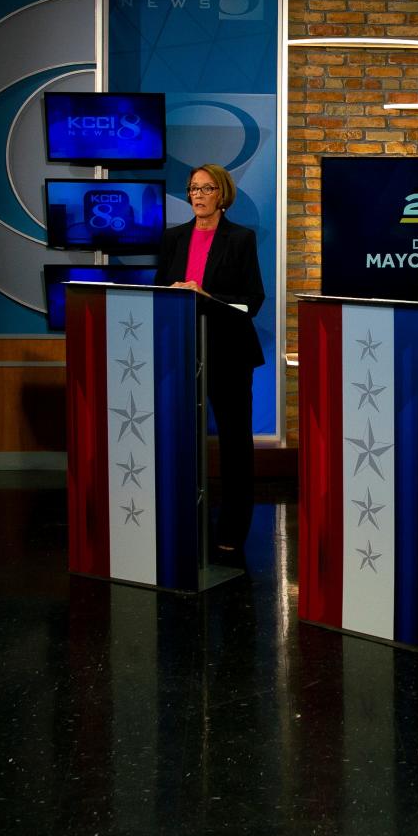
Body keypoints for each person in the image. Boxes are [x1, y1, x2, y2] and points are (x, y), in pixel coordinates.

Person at [155, 163, 265, 565]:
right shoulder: (172, 238)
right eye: (192, 189)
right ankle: (184, 519)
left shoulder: (240, 239)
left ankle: (233, 530)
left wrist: (205, 294)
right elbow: (158, 289)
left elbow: (252, 301)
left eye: (206, 188)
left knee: (235, 445)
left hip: (229, 353)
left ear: (222, 194)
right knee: (178, 441)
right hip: (181, 352)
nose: (198, 195)